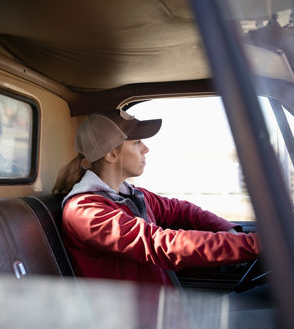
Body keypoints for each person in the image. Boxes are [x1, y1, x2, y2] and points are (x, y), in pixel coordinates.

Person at [53, 109, 260, 286]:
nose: (146, 148)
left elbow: (181, 209)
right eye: (136, 143)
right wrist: (253, 244)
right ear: (111, 154)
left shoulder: (132, 195)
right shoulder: (85, 211)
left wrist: (229, 230)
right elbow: (161, 244)